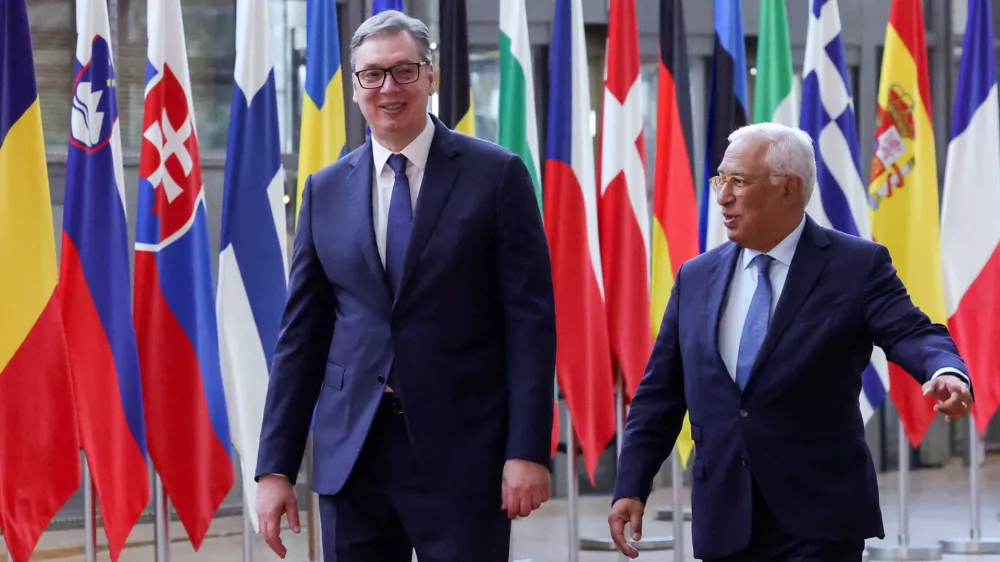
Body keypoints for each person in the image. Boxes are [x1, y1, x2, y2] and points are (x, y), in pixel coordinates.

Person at [253, 10, 556, 561]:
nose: (388, 87)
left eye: (404, 71)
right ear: (355, 87)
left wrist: (528, 451)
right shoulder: (323, 191)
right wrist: (275, 467)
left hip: (465, 456)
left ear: (431, 77)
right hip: (354, 458)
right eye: (373, 74)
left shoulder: (497, 175)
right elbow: (301, 336)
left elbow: (530, 324)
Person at [608, 122, 973, 561]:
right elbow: (659, 394)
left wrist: (943, 370)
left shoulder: (855, 265)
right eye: (720, 179)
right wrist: (631, 484)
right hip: (725, 517)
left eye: (739, 181)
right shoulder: (695, 277)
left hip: (818, 520)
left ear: (790, 188)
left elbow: (913, 332)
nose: (723, 196)